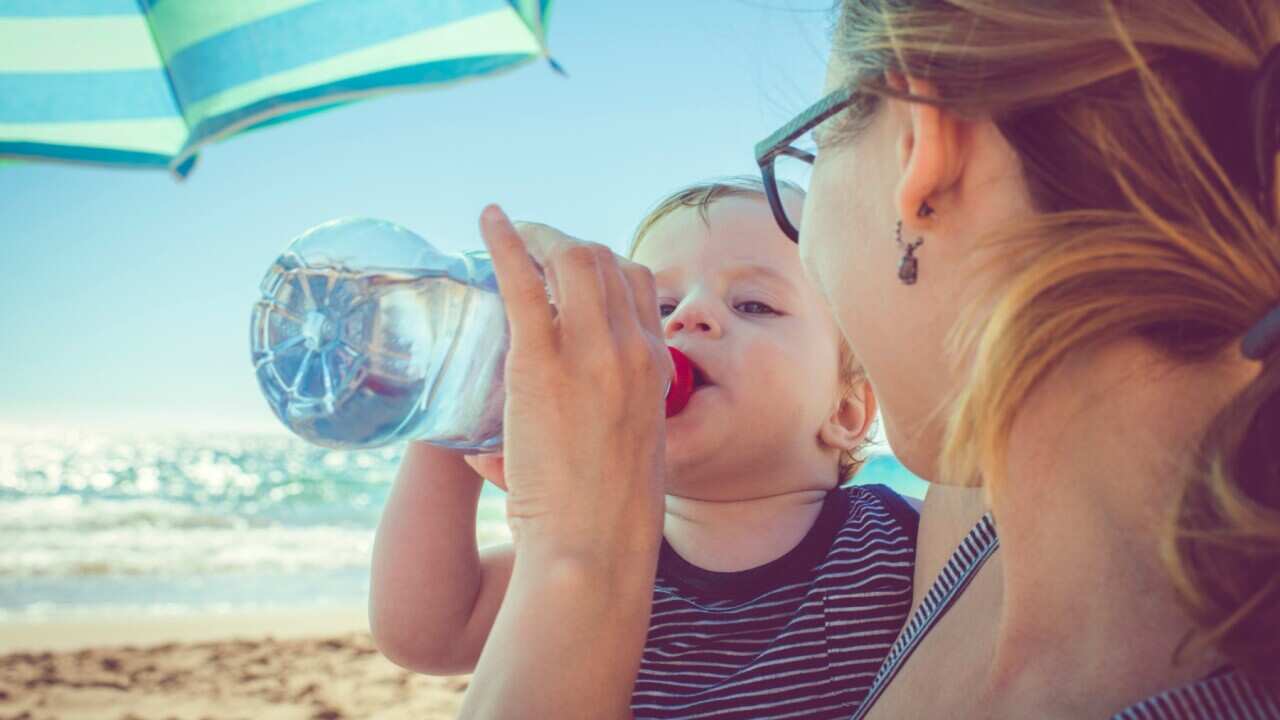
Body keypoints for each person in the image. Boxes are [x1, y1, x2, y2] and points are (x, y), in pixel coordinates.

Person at [455, 1, 1280, 718]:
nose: (693, 319)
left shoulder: (946, 531)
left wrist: (575, 554)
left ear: (923, 148)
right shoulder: (978, 505)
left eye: (804, 156)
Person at [369, 179, 925, 719]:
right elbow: (426, 630)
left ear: (846, 411)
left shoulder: (903, 539)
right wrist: (460, 395)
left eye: (754, 305)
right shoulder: (607, 550)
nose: (686, 317)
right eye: (656, 308)